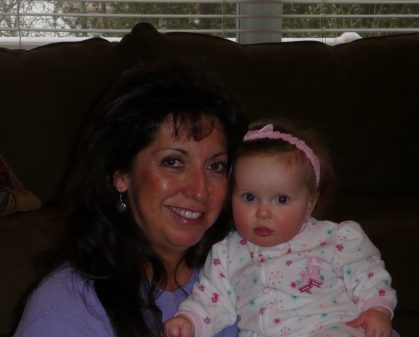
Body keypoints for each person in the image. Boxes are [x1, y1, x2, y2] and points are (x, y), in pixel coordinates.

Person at [12, 62, 248, 337]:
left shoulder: (255, 266)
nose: (200, 190)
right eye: (173, 162)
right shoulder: (65, 310)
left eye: (215, 166)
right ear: (121, 174)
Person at [164, 122, 397, 337]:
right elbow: (212, 301)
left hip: (329, 328)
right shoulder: (226, 254)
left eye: (282, 200)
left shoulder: (334, 239)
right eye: (249, 197)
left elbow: (369, 276)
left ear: (309, 204)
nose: (263, 213)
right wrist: (190, 321)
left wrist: (378, 309)